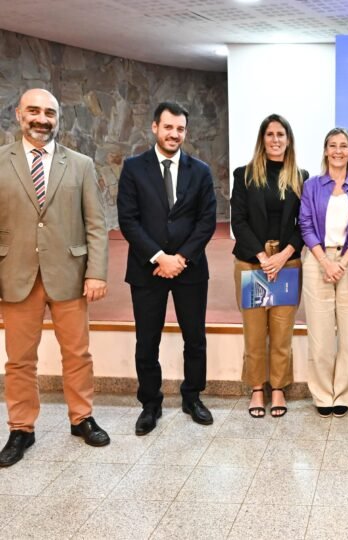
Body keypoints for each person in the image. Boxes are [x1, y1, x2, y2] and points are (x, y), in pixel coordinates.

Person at [0, 88, 110, 467]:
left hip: (70, 275)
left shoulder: (80, 164)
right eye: (34, 111)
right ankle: (21, 428)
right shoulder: (0, 161)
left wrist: (96, 273)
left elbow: (97, 224)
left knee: (77, 353)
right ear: (19, 115)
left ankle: (81, 418)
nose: (42, 119)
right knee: (19, 360)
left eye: (49, 112)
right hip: (16, 276)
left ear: (57, 118)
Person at [117, 101, 217, 435]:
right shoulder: (133, 168)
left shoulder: (200, 171)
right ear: (155, 128)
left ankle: (193, 397)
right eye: (169, 127)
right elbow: (128, 221)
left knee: (195, 338)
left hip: (190, 269)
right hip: (148, 270)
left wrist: (181, 259)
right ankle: (150, 403)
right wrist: (160, 257)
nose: (174, 134)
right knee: (147, 340)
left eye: (180, 129)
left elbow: (206, 222)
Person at [231, 114, 307, 418]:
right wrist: (263, 257)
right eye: (270, 134)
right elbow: (239, 221)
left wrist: (282, 254)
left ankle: (278, 388)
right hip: (252, 263)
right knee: (254, 331)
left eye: (281, 134)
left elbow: (305, 224)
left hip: (287, 262)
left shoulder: (301, 176)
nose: (276, 140)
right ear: (262, 139)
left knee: (281, 330)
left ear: (289, 140)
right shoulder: (244, 175)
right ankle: (257, 389)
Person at [299, 127, 348, 418]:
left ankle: (342, 393)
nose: (338, 150)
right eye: (333, 145)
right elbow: (305, 224)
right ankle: (322, 394)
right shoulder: (312, 185)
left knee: (347, 333)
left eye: (344, 146)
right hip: (318, 259)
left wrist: (342, 262)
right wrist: (326, 262)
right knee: (320, 334)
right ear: (325, 150)